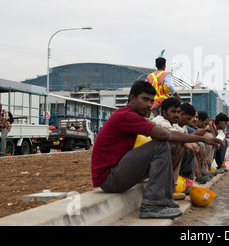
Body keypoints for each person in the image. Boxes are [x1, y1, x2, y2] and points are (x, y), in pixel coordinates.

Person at [91, 80, 221, 219]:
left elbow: (166, 132)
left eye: (151, 101)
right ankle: (152, 204)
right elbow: (164, 134)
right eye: (145, 99)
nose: (149, 105)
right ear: (132, 98)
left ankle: (166, 196)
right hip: (109, 179)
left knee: (173, 144)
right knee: (161, 145)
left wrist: (201, 139)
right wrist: (199, 139)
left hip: (117, 172)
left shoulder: (135, 116)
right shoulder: (125, 115)